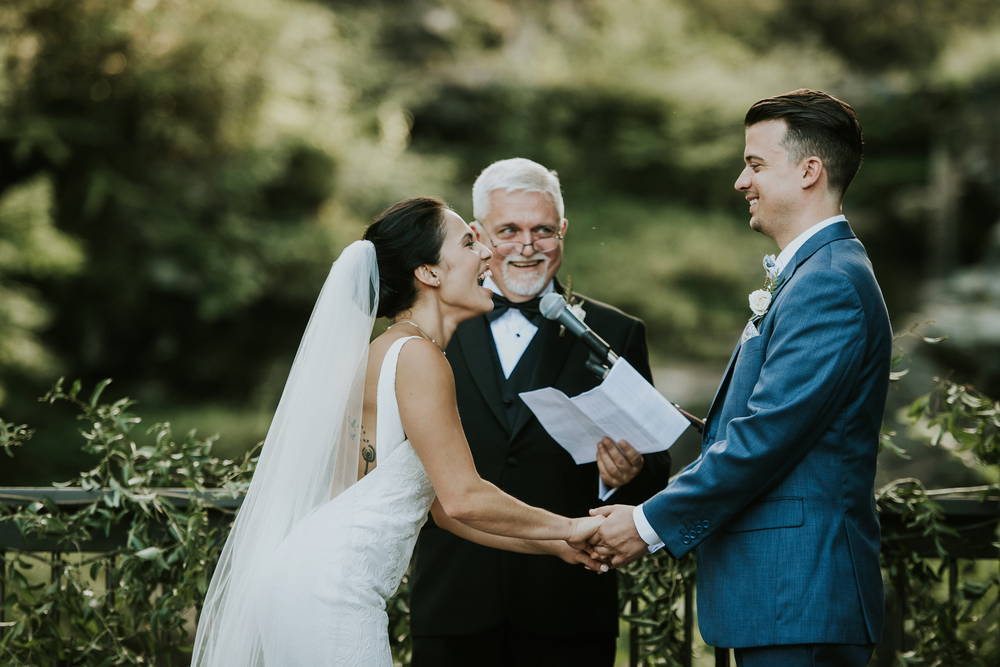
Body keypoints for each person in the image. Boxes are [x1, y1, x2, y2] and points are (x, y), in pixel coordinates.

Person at [191, 197, 608, 666]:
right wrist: (573, 524)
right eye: (470, 243)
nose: (487, 253)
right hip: (333, 592)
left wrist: (556, 544)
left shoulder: (393, 350)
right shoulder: (419, 358)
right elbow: (464, 497)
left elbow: (445, 513)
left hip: (306, 576)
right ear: (429, 273)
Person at [591, 90, 892, 667]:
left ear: (809, 171)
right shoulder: (812, 274)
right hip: (781, 597)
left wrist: (646, 522)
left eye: (755, 165)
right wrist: (663, 423)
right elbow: (779, 427)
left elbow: (768, 439)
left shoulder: (827, 283)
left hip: (799, 591)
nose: (740, 181)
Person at [409, 158, 672, 666]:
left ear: (563, 231)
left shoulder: (616, 333)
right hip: (454, 599)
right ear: (479, 235)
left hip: (569, 606)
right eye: (509, 230)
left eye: (543, 230)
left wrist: (623, 477)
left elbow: (658, 467)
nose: (527, 246)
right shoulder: (433, 328)